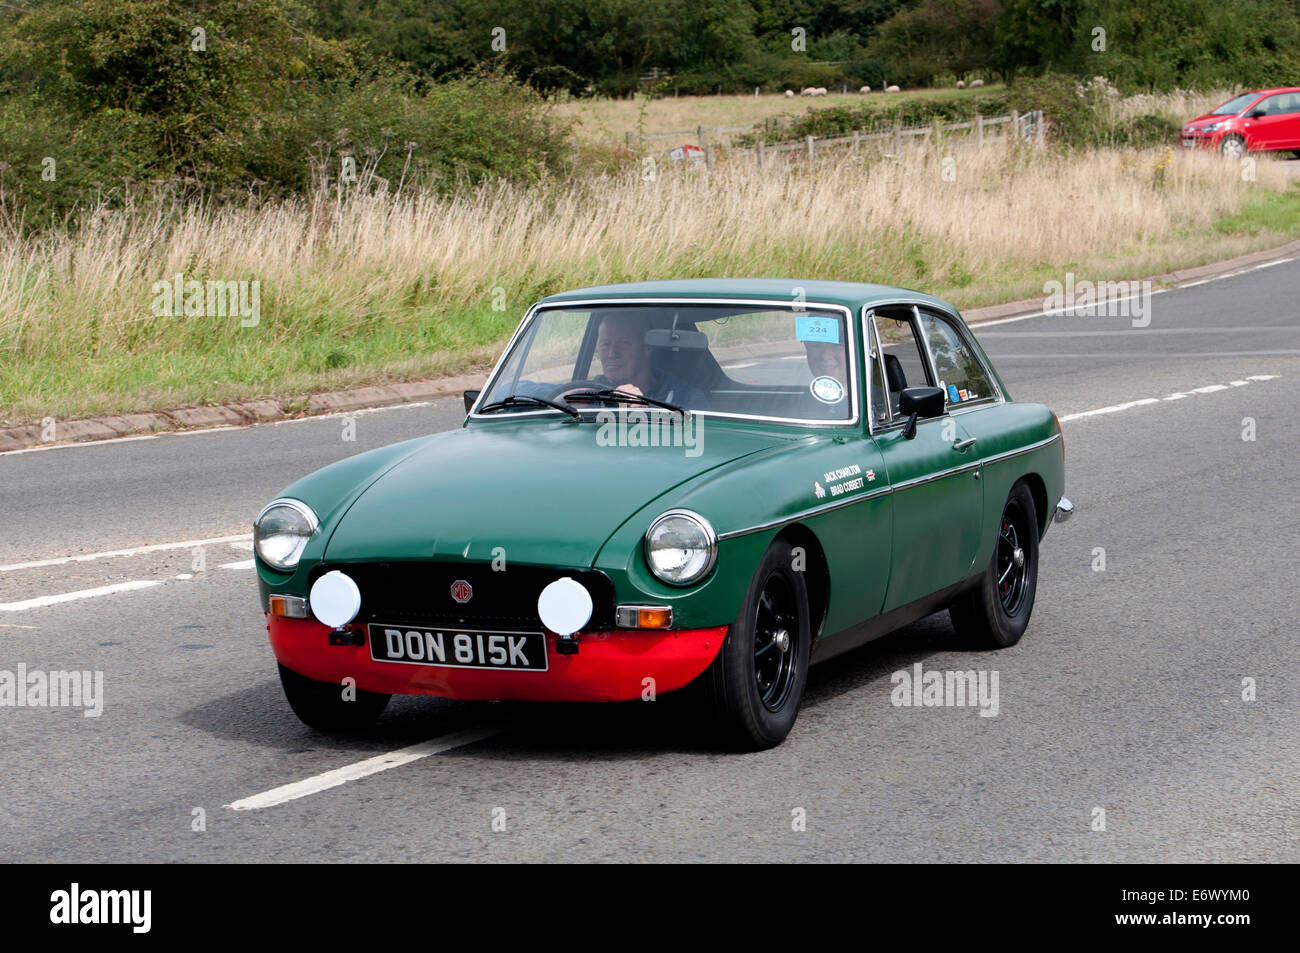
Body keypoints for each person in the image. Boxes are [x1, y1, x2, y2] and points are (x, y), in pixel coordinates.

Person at [592, 312, 708, 408]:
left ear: (647, 348)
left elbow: (700, 433)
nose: (612, 354)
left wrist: (646, 411)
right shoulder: (592, 391)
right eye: (605, 344)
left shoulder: (686, 397)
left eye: (624, 343)